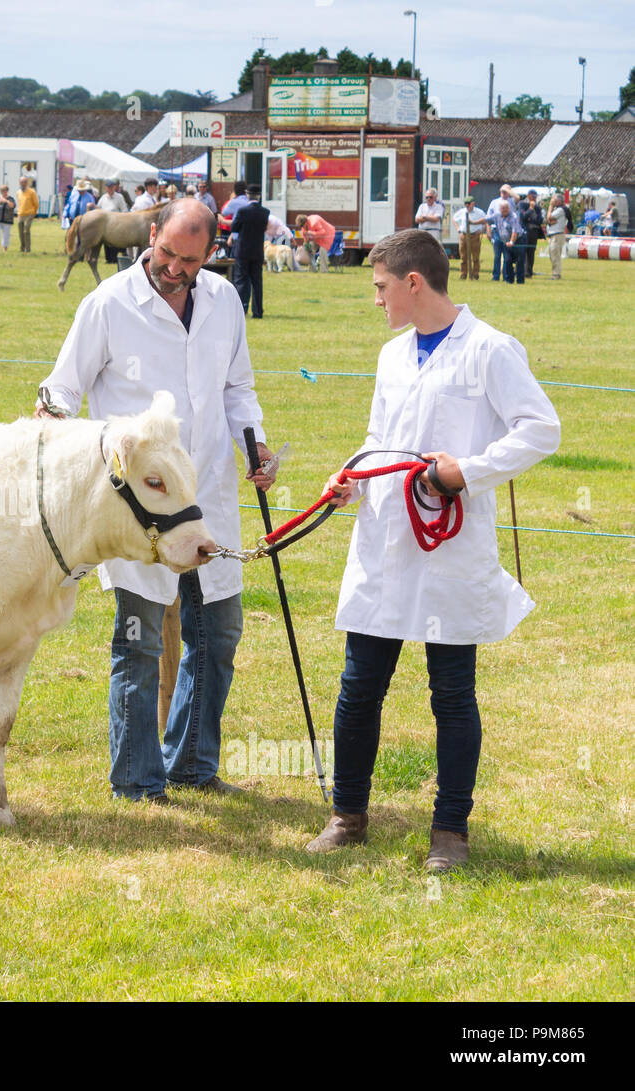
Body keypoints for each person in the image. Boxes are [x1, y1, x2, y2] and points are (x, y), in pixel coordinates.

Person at [308, 228, 560, 871]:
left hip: (449, 543)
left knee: (451, 691)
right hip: (386, 541)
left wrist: (465, 472)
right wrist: (352, 479)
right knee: (359, 685)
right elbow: (380, 435)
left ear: (413, 283)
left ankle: (450, 830)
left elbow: (541, 429)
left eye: (381, 287)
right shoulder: (393, 355)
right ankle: (348, 813)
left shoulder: (491, 350)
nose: (376, 300)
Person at [35, 199, 277, 802]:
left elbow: (237, 386)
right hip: (137, 508)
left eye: (189, 260)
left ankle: (191, 762)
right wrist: (53, 414)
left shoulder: (222, 301)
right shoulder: (108, 304)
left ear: (210, 253)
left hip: (210, 497)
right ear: (151, 235)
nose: (174, 268)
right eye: (167, 253)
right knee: (140, 640)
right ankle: (138, 781)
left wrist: (257, 443)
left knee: (217, 633)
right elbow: (64, 384)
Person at [230, 186, 270, 318]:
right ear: (259, 196)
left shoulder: (242, 211)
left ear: (247, 194)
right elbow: (264, 228)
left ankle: (241, 309)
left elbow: (234, 228)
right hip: (257, 250)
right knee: (257, 282)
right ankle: (258, 311)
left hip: (243, 250)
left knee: (241, 280)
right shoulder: (265, 212)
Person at [486, 193, 522, 284]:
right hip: (500, 236)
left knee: (512, 259)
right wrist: (473, 223)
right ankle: (499, 277)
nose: (504, 210)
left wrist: (511, 242)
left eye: (506, 209)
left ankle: (510, 278)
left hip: (513, 238)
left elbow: (515, 231)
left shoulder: (513, 211)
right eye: (502, 209)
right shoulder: (495, 207)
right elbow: (487, 219)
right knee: (500, 257)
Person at [452, 195, 487, 280]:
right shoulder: (462, 211)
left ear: (473, 204)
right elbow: (454, 219)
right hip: (464, 235)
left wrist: (482, 230)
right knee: (463, 257)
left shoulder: (479, 212)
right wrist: (458, 229)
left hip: (475, 235)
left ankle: (475, 274)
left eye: (468, 203)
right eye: (465, 203)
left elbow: (486, 221)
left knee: (475, 257)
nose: (467, 205)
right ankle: (463, 274)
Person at [97, 179, 129, 264]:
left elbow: (124, 210)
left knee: (115, 241)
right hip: (105, 224)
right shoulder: (103, 198)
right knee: (106, 242)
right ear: (106, 188)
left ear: (114, 187)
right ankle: (108, 259)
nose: (110, 189)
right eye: (109, 187)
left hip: (116, 223)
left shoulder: (119, 197)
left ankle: (114, 258)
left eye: (112, 187)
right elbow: (98, 208)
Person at [519, 190, 544, 277]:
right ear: (528, 196)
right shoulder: (522, 204)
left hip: (534, 231)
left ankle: (529, 271)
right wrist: (530, 209)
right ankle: (522, 270)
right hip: (525, 231)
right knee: (523, 251)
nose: (534, 198)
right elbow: (523, 218)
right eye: (532, 196)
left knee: (531, 251)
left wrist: (532, 219)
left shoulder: (538, 207)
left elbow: (540, 220)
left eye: (535, 196)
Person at [545, 192, 569, 280]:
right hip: (553, 235)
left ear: (559, 201)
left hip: (557, 235)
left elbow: (549, 217)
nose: (552, 201)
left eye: (554, 200)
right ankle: (555, 273)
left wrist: (550, 207)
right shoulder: (557, 209)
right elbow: (548, 220)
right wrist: (549, 219)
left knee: (555, 255)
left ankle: (556, 274)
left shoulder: (560, 210)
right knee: (552, 255)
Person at [16, 176, 39, 253]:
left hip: (30, 213)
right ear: (20, 183)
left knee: (26, 230)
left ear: (27, 183)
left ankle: (28, 249)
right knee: (20, 232)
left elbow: (36, 203)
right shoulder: (18, 192)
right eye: (22, 182)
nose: (23, 183)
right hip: (20, 214)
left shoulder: (32, 192)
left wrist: (34, 212)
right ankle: (22, 248)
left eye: (25, 182)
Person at [0, 184, 16, 251]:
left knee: (6, 235)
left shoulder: (11, 199)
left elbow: (12, 206)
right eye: (2, 191)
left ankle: (5, 249)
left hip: (7, 220)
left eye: (5, 191)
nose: (3, 192)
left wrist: (6, 201)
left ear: (7, 191)